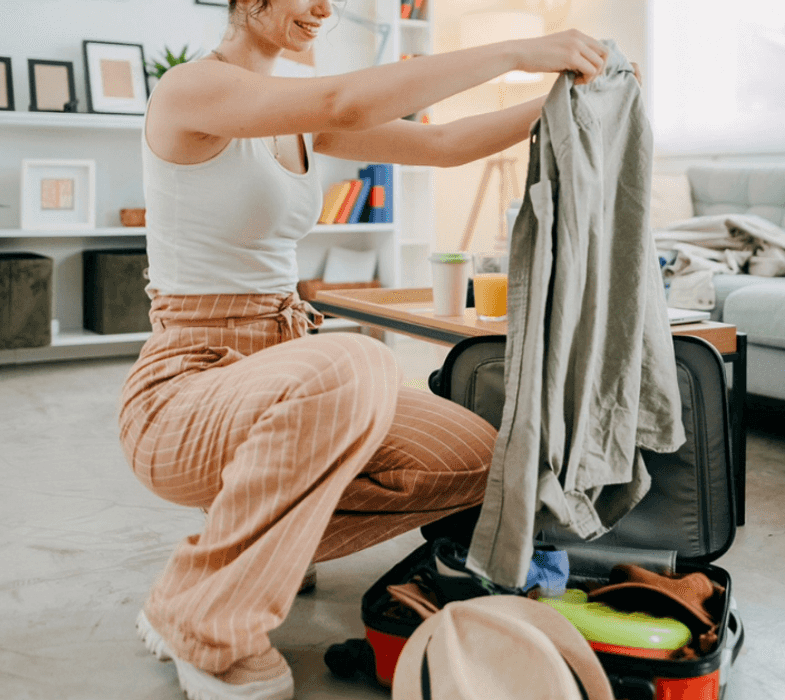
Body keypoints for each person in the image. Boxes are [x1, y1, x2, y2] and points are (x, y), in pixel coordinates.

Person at [118, 1, 610, 698]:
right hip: (187, 385)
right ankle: (209, 626)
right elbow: (341, 98)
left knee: (478, 463)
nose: (324, 7)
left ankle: (200, 580)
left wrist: (574, 96)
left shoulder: (293, 117)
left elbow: (444, 145)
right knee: (357, 361)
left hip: (284, 362)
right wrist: (516, 51)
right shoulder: (193, 88)